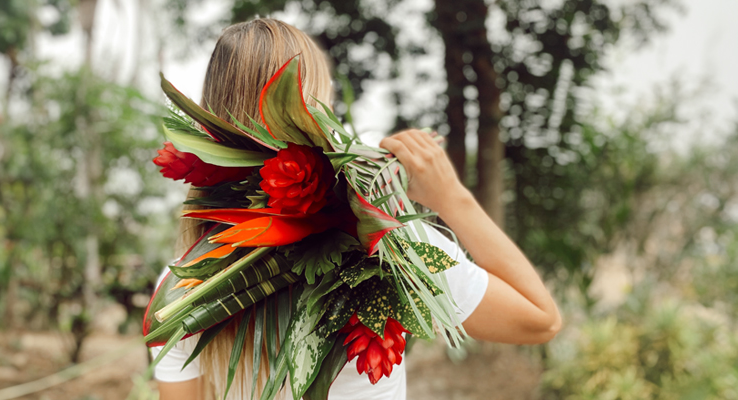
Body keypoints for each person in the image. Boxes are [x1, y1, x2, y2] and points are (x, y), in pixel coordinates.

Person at [151, 18, 561, 400]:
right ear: (311, 114)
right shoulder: (389, 245)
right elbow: (540, 319)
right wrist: (453, 197)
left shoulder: (181, 290)